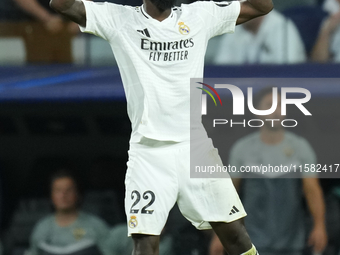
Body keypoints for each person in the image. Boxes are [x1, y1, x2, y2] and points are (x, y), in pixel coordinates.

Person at [49, 0, 274, 255]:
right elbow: (61, 4)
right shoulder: (119, 19)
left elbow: (262, 6)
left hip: (195, 146)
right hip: (148, 152)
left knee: (235, 234)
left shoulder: (200, 14)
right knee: (145, 242)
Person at [209, 87, 328, 255]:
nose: (276, 111)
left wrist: (319, 225)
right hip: (252, 242)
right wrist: (219, 234)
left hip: (292, 242)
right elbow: (230, 193)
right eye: (269, 105)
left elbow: (312, 189)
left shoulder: (300, 148)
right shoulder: (242, 149)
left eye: (280, 105)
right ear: (257, 112)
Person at [28, 170, 109, 255]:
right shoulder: (41, 228)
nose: (63, 195)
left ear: (77, 194)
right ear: (51, 196)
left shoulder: (96, 226)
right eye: (58, 190)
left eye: (69, 190)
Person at [206, 9, 306, 64]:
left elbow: (288, 74)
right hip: (243, 94)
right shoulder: (235, 29)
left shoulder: (282, 27)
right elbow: (220, 71)